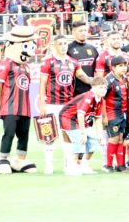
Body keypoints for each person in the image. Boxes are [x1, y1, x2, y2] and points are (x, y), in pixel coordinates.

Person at [38, 34, 94, 174]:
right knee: (49, 135)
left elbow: (83, 77)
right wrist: (42, 104)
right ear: (54, 45)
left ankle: (68, 164)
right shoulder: (48, 62)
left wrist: (95, 81)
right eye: (60, 44)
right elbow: (42, 83)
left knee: (67, 135)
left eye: (65, 44)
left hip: (67, 106)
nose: (63, 46)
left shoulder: (73, 62)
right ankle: (49, 165)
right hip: (51, 103)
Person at [0, 26, 38, 175]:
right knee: (9, 133)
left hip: (25, 107)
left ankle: (19, 159)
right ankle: (2, 158)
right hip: (9, 107)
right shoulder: (5, 64)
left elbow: (25, 86)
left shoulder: (26, 67)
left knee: (24, 134)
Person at [58, 76, 108, 175]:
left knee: (94, 139)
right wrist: (82, 133)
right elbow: (80, 114)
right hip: (68, 117)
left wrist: (99, 135)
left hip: (80, 119)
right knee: (80, 140)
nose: (103, 90)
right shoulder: (89, 96)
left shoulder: (100, 100)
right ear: (93, 87)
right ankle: (71, 166)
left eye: (105, 87)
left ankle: (84, 164)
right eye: (100, 87)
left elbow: (98, 118)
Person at [103, 55, 129, 172]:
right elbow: (102, 98)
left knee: (120, 139)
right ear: (113, 67)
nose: (123, 68)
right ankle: (108, 165)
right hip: (111, 113)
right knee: (113, 139)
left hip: (122, 113)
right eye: (120, 66)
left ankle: (120, 165)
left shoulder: (124, 78)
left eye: (125, 65)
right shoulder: (108, 80)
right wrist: (104, 116)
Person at [67, 21, 98, 96]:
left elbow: (97, 69)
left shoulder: (92, 48)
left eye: (85, 30)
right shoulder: (68, 49)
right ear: (74, 32)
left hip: (91, 91)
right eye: (80, 31)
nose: (84, 33)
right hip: (74, 92)